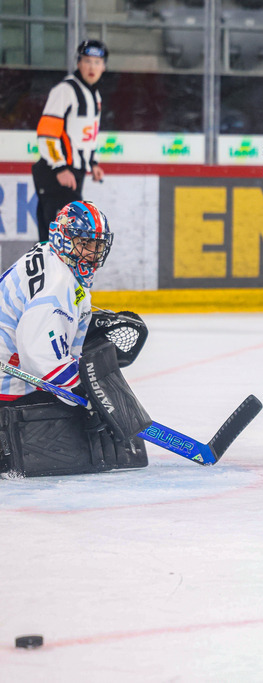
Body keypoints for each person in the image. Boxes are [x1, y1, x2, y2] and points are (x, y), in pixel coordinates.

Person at [0, 201, 151, 478]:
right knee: (83, 404)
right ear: (64, 239)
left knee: (89, 382)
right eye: (85, 243)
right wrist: (86, 396)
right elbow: (38, 356)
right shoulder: (57, 285)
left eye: (98, 245)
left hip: (13, 362)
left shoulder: (51, 256)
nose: (93, 253)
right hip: (6, 384)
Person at [32, 40, 108, 244]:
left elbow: (86, 134)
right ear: (79, 63)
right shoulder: (65, 90)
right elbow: (47, 133)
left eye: (97, 62)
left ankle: (51, 276)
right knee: (62, 241)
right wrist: (59, 167)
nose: (92, 67)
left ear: (104, 66)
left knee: (60, 241)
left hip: (73, 173)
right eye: (87, 61)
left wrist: (92, 162)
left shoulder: (95, 96)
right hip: (56, 174)